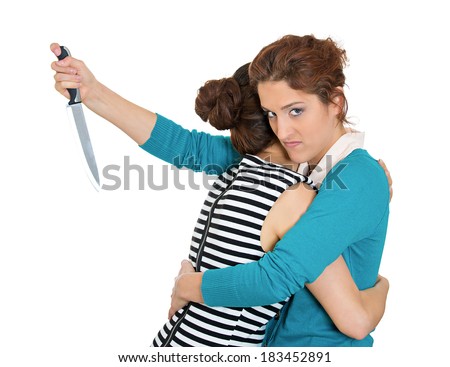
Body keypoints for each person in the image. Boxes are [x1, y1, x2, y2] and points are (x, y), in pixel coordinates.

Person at [50, 36, 390, 347]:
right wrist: (93, 92)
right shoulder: (291, 160)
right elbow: (187, 147)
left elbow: (287, 283)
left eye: (296, 110)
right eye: (271, 114)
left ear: (335, 101)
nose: (283, 129)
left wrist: (190, 286)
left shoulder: (356, 176)